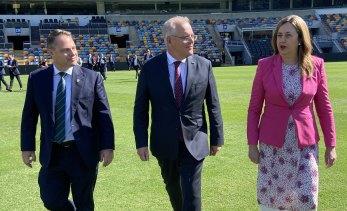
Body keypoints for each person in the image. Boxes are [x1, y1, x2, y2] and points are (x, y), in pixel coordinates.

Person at [133, 16, 224, 211]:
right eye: (185, 37)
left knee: (191, 196)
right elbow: (140, 109)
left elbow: (213, 105)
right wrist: (141, 141)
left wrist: (217, 138)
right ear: (169, 41)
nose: (191, 41)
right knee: (174, 191)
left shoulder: (204, 65)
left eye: (192, 36)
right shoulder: (150, 68)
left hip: (195, 141)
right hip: (164, 143)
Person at [247, 15, 337, 211]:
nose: (282, 40)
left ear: (300, 39)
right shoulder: (264, 65)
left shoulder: (316, 65)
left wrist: (331, 145)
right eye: (279, 35)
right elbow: (254, 108)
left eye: (288, 35)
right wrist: (252, 144)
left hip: (305, 146)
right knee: (273, 200)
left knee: (306, 198)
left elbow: (324, 108)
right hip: (273, 148)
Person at [20, 29, 115, 211]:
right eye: (66, 50)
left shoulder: (92, 77)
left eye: (74, 48)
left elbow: (104, 115)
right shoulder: (37, 78)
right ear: (51, 52)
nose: (73, 53)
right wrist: (27, 147)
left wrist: (107, 146)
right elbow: (29, 116)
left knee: (84, 203)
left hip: (83, 153)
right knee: (51, 200)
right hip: (53, 153)